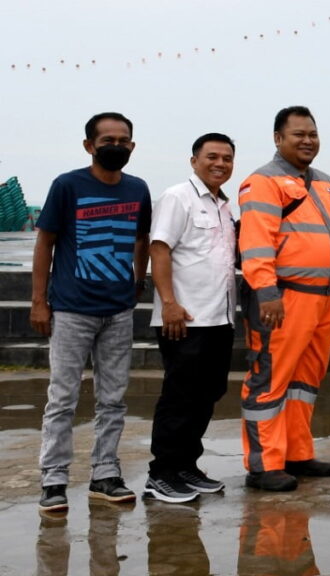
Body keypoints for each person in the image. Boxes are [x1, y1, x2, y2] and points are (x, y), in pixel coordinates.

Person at [32, 112, 151, 512]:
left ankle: (105, 474)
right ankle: (53, 480)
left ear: (132, 147)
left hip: (118, 311)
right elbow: (45, 243)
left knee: (113, 399)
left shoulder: (138, 189)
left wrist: (137, 282)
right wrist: (39, 301)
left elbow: (141, 239)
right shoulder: (67, 185)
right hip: (71, 310)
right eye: (107, 140)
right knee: (62, 398)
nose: (116, 146)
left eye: (124, 140)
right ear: (89, 146)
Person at [237, 106, 330, 491]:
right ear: (278, 138)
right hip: (283, 299)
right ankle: (264, 465)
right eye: (298, 135)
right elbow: (256, 242)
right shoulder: (263, 182)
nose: (307, 141)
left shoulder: (327, 184)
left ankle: (297, 453)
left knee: (305, 380)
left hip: (325, 299)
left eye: (313, 134)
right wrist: (266, 292)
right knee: (269, 380)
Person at [144, 133, 238, 503]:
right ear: (194, 160)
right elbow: (159, 249)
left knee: (208, 394)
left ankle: (186, 466)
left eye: (227, 158)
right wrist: (168, 302)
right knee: (180, 396)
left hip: (219, 317)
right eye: (212, 156)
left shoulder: (224, 205)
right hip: (184, 317)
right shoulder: (177, 197)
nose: (220, 164)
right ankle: (161, 474)